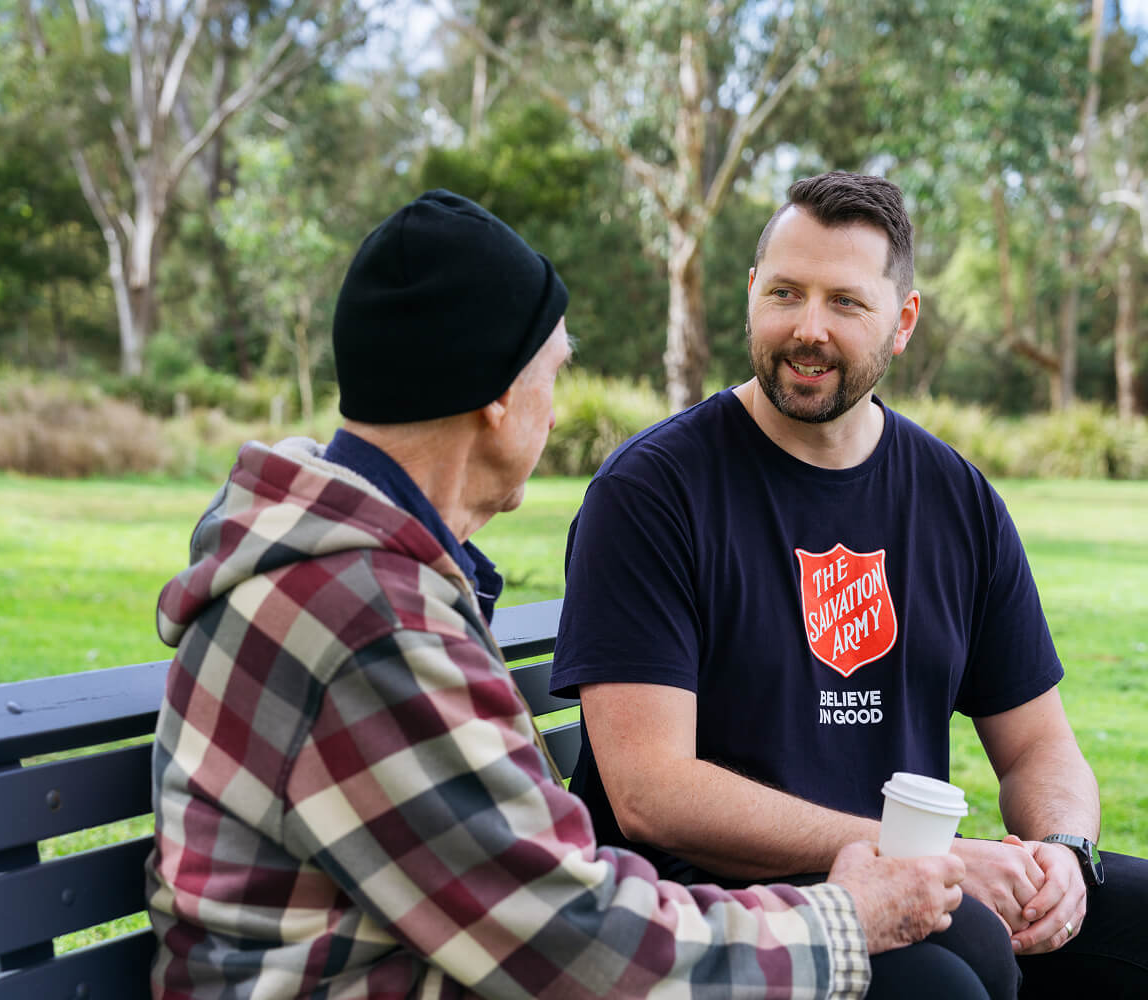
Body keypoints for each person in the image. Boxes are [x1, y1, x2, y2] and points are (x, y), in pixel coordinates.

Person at [144, 189, 988, 999]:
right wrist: (840, 921)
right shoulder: (365, 623)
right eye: (554, 373)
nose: (554, 413)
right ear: (499, 398)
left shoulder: (363, 582)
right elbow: (575, 943)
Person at [549, 171, 1148, 999]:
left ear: (903, 322)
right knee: (953, 974)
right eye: (785, 293)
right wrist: (923, 857)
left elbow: (1041, 744)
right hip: (724, 909)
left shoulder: (954, 497)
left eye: (846, 303)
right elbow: (654, 795)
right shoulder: (654, 492)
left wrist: (1063, 855)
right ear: (751, 293)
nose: (808, 329)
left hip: (916, 878)